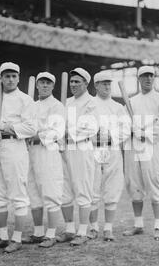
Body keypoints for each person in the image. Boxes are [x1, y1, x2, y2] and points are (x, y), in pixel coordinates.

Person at [0, 62, 37, 253]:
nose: (10, 79)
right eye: (6, 76)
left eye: (13, 76)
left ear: (18, 78)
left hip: (15, 146)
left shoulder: (25, 100)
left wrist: (6, 127)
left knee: (18, 194)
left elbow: (31, 128)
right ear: (0, 78)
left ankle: (16, 238)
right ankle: (2, 236)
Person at [122, 66, 159, 241]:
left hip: (153, 147)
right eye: (144, 76)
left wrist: (144, 132)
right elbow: (123, 124)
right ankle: (138, 225)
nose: (148, 79)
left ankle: (158, 226)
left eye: (151, 76)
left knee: (155, 182)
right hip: (133, 147)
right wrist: (131, 129)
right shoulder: (131, 101)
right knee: (134, 184)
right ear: (139, 79)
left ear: (154, 78)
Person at [23, 72, 66, 248]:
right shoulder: (30, 105)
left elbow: (57, 131)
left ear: (53, 86)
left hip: (47, 149)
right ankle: (38, 232)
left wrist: (37, 134)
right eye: (42, 82)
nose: (45, 85)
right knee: (33, 191)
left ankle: (51, 234)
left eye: (48, 82)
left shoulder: (57, 106)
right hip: (30, 150)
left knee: (50, 191)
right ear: (37, 85)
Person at [87, 71, 131, 241]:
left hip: (112, 149)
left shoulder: (118, 107)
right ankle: (92, 227)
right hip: (94, 149)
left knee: (112, 188)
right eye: (103, 83)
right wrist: (94, 136)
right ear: (96, 85)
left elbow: (126, 129)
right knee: (93, 189)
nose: (106, 86)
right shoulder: (89, 104)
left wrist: (111, 137)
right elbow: (84, 126)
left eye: (108, 83)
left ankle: (108, 228)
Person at [57, 68, 99, 246]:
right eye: (71, 81)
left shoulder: (92, 102)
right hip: (63, 149)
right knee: (64, 191)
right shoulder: (65, 103)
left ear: (85, 83)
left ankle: (83, 231)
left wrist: (65, 132)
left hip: (81, 148)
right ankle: (69, 229)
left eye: (77, 82)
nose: (73, 85)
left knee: (83, 189)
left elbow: (90, 127)